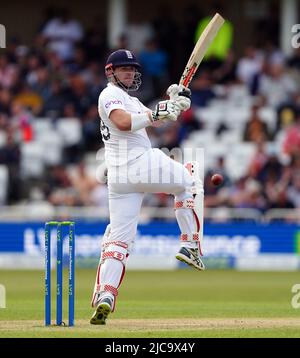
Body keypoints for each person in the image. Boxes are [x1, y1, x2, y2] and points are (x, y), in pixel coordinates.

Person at [90, 49, 205, 325]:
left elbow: (157, 117)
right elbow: (124, 122)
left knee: (118, 241)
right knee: (190, 179)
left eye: (132, 69)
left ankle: (106, 294)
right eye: (124, 68)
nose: (130, 72)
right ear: (110, 71)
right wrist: (160, 111)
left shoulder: (129, 98)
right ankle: (190, 244)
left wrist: (175, 102)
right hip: (139, 163)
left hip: (120, 178)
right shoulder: (109, 95)